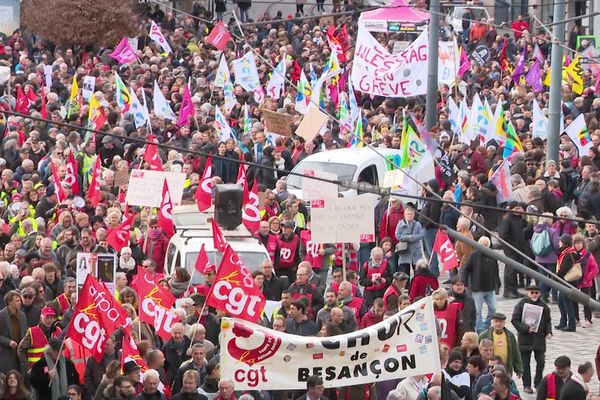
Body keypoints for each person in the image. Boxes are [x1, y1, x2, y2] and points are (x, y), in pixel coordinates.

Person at [511, 284, 552, 394]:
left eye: (536, 293)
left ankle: (538, 383)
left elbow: (548, 320)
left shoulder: (544, 306)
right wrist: (525, 329)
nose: (534, 295)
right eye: (532, 292)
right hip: (525, 339)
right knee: (525, 364)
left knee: (541, 362)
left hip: (539, 339)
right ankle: (527, 385)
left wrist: (548, 332)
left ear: (540, 294)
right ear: (528, 293)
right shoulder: (521, 304)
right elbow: (515, 320)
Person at [461, 236, 500, 333]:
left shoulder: (492, 255)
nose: (484, 246)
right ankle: (479, 328)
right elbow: (466, 269)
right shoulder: (474, 255)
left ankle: (486, 324)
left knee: (493, 308)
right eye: (483, 244)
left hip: (490, 288)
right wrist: (464, 282)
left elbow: (496, 271)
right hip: (477, 288)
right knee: (477, 311)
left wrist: (497, 284)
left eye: (486, 245)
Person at [17, 305, 61, 373]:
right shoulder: (32, 332)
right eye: (47, 317)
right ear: (41, 317)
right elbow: (21, 350)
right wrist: (28, 368)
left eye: (51, 317)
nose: (49, 320)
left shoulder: (58, 331)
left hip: (55, 370)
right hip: (37, 371)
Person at [478, 313, 523, 377]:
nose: (498, 324)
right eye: (496, 321)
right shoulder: (484, 335)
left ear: (504, 323)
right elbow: (478, 351)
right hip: (489, 368)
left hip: (506, 368)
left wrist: (519, 369)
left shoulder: (510, 335)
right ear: (492, 322)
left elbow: (515, 352)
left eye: (501, 322)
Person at [555, 234, 579, 332]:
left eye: (560, 241)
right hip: (564, 281)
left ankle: (571, 325)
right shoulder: (566, 252)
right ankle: (563, 322)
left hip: (568, 282)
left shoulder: (569, 254)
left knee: (567, 303)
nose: (559, 243)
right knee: (561, 302)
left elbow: (564, 269)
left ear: (564, 243)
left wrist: (556, 276)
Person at [0, 290, 27, 374]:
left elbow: (25, 332)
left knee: (19, 377)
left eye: (20, 300)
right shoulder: (1, 316)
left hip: (19, 354)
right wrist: (9, 342)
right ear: (9, 302)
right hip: (6, 354)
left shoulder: (22, 315)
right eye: (17, 300)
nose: (20, 302)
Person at [395, 205, 424, 277]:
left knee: (417, 270)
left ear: (414, 215)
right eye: (408, 214)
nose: (410, 216)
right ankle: (406, 286)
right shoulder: (400, 224)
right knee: (405, 271)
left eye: (411, 214)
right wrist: (407, 237)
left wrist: (413, 237)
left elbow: (421, 235)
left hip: (416, 250)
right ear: (404, 215)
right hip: (405, 249)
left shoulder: (417, 224)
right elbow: (397, 235)